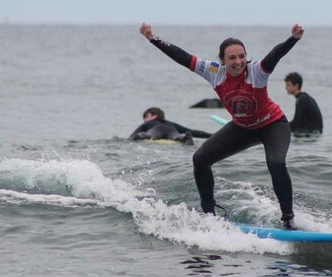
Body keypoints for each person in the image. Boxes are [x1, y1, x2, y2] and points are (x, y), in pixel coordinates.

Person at [140, 22, 304, 230]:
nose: (238, 62)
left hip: (273, 125)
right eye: (232, 58)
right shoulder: (213, 72)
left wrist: (293, 39)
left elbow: (275, 54)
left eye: (242, 56)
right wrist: (153, 38)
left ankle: (288, 219)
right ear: (223, 60)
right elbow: (181, 56)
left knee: (276, 162)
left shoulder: (257, 71)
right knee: (200, 159)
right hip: (243, 127)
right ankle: (209, 214)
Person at [129, 107, 212, 145]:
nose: (145, 120)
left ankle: (143, 135)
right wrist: (212, 135)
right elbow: (195, 132)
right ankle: (184, 137)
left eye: (146, 116)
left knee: (146, 135)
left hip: (156, 130)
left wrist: (134, 137)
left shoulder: (148, 123)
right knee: (177, 137)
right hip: (171, 130)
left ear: (154, 115)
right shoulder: (171, 124)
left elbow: (133, 135)